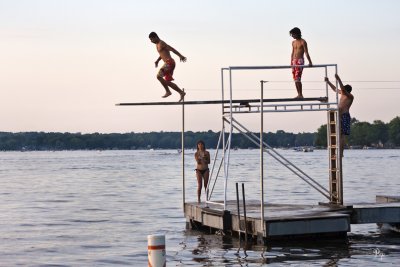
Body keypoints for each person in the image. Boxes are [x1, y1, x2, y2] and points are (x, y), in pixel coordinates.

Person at [149, 32, 187, 102]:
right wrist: (157, 61)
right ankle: (181, 92)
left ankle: (168, 91)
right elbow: (162, 53)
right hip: (168, 63)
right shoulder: (157, 45)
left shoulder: (161, 43)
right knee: (166, 82)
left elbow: (171, 49)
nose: (151, 42)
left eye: (151, 40)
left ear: (155, 37)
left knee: (158, 76)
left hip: (169, 62)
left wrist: (180, 56)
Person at [325, 74, 354, 157]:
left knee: (342, 135)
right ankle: (336, 152)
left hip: (345, 116)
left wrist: (338, 79)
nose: (342, 91)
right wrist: (328, 82)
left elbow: (342, 89)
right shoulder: (342, 93)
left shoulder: (350, 96)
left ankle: (341, 153)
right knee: (337, 134)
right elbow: (335, 89)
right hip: (339, 116)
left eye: (344, 90)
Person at [290, 27, 313, 99]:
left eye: (293, 34)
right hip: (294, 61)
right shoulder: (293, 42)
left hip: (300, 61)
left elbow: (306, 52)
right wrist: (291, 61)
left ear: (297, 33)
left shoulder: (303, 42)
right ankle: (298, 94)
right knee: (295, 79)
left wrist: (310, 62)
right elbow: (292, 52)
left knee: (297, 78)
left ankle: (300, 94)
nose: (292, 36)